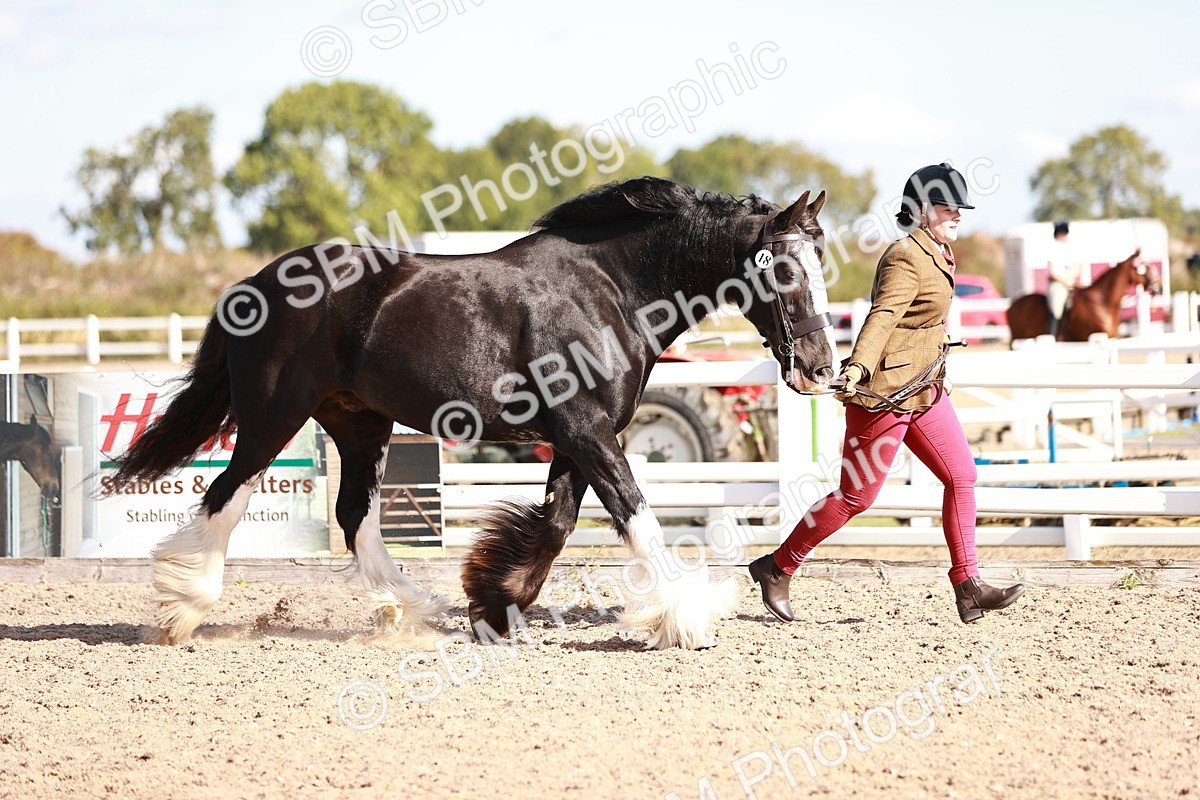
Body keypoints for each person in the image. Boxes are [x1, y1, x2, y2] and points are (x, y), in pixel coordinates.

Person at [748, 162, 1025, 624]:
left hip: (924, 390)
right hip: (885, 395)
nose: (957, 214)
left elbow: (924, 321)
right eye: (947, 206)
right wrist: (856, 366)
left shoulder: (937, 250)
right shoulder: (905, 256)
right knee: (857, 497)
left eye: (960, 207)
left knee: (962, 476)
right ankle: (777, 567)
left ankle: (968, 585)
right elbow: (884, 317)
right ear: (920, 210)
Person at [1046, 221, 1081, 338]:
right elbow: (1052, 270)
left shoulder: (1072, 248)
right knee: (1056, 308)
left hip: (1071, 282)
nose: (1064, 236)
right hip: (1058, 284)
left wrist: (1071, 278)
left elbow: (1077, 265)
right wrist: (1064, 280)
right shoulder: (1052, 248)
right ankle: (1053, 335)